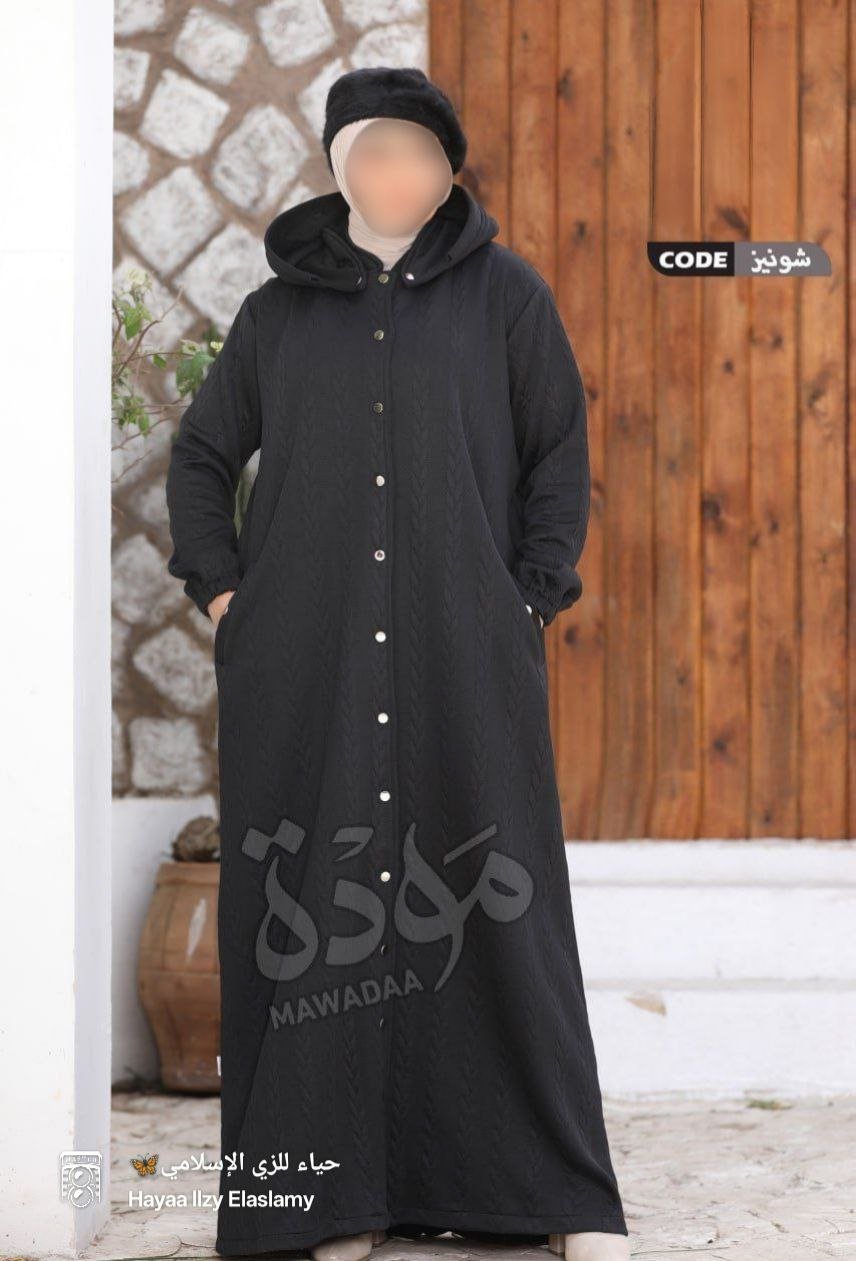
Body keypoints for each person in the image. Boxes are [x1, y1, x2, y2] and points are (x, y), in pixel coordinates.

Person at [165, 65, 631, 1261]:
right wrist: (225, 593)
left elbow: (557, 457)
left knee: (500, 904)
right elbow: (203, 456)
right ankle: (333, 1197)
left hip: (464, 658)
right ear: (338, 170)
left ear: (447, 171)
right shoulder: (277, 318)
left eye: (422, 154)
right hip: (307, 666)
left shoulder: (508, 299)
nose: (400, 175)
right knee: (314, 912)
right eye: (375, 152)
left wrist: (526, 598)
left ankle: (554, 1197)